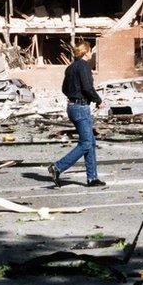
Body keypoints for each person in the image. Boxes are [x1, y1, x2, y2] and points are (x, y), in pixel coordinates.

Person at [49, 41, 106, 187]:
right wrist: (98, 100)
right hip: (81, 108)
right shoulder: (84, 66)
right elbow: (88, 87)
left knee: (90, 142)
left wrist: (74, 95)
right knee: (86, 143)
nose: (92, 53)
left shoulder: (70, 68)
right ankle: (57, 167)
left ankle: (92, 178)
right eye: (90, 51)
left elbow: (64, 89)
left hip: (72, 107)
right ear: (85, 52)